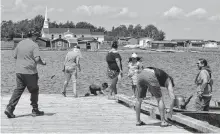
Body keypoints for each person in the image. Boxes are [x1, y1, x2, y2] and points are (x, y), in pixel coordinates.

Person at [4, 31, 46, 118]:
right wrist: (43, 63)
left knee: (18, 90)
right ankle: (35, 110)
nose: (37, 37)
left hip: (19, 71)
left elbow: (14, 56)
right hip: (30, 72)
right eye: (36, 36)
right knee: (34, 90)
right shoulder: (34, 45)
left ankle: (10, 108)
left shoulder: (20, 43)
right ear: (34, 36)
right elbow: (37, 59)